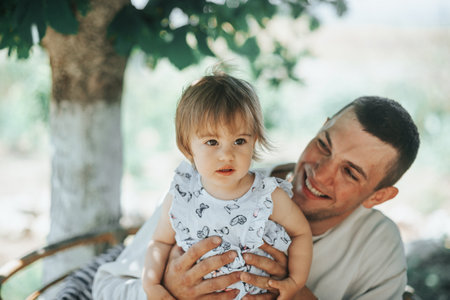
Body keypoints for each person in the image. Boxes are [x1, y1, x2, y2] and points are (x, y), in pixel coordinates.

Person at [93, 95, 420, 300]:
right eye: (324, 144)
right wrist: (168, 289)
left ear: (378, 196)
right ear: (320, 127)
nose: (319, 173)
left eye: (350, 172)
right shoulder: (214, 184)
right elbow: (104, 288)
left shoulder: (379, 245)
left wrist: (295, 293)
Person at [141, 72, 312, 300]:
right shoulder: (182, 197)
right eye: (212, 142)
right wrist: (152, 285)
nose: (226, 155)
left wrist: (295, 282)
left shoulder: (267, 196)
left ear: (255, 141)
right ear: (187, 147)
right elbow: (160, 242)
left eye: (239, 141)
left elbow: (301, 233)